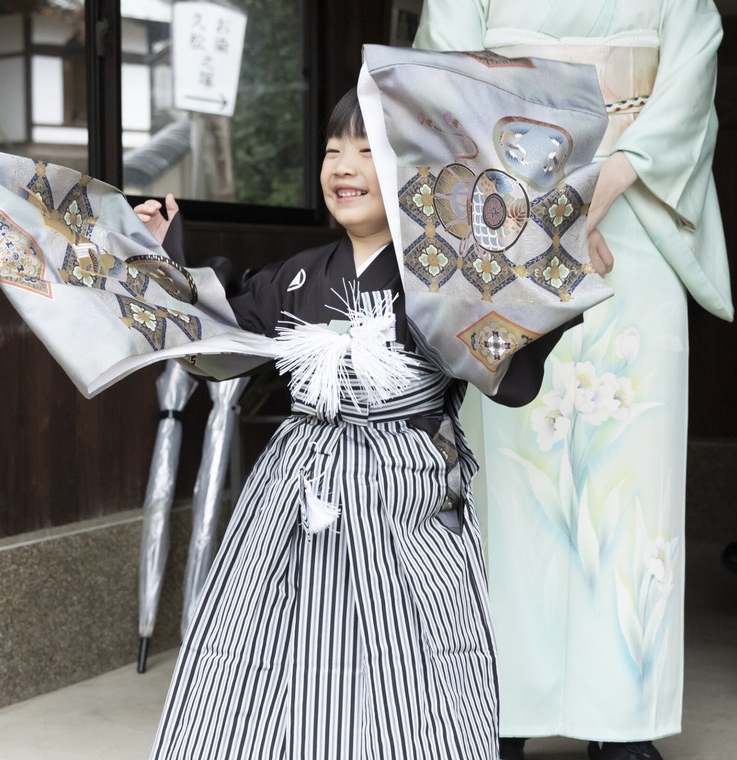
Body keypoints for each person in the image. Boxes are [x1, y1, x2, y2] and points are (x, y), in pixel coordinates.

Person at [135, 89, 570, 760]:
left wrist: (544, 273)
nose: (344, 165)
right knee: (274, 644)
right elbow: (221, 337)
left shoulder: (445, 277)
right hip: (295, 495)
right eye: (335, 150)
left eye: (370, 152)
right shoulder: (296, 276)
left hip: (404, 494)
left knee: (409, 654)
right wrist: (161, 259)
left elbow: (506, 353)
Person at [414, 3, 733, 760]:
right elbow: (443, 90)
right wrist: (541, 205)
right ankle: (502, 704)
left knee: (633, 478)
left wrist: (594, 193)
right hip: (505, 220)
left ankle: (619, 717)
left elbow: (684, 93)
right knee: (508, 474)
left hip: (633, 226)